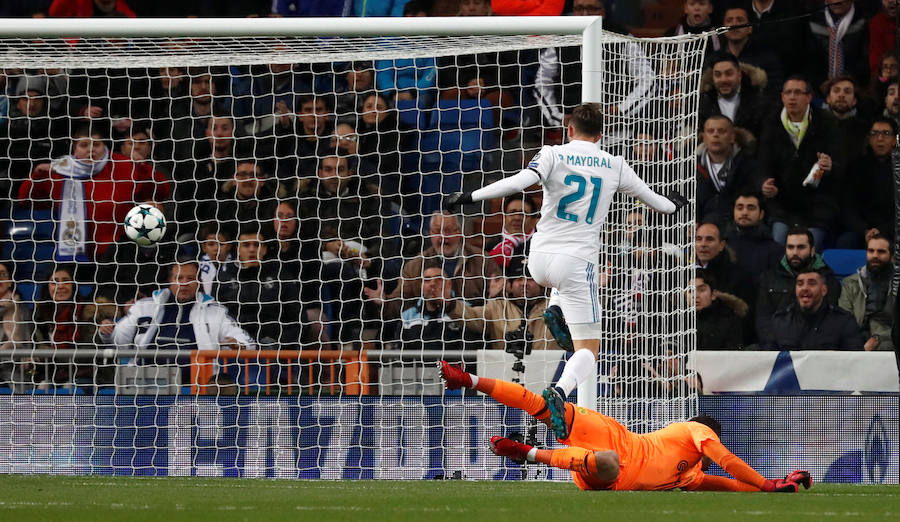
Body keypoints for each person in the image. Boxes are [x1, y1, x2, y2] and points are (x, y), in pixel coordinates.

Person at [444, 103, 687, 439]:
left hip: (538, 259)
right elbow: (656, 202)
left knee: (558, 289)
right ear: (601, 134)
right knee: (588, 349)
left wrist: (470, 196)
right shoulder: (615, 164)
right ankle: (558, 393)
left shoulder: (552, 154)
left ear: (569, 129)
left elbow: (519, 181)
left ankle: (556, 308)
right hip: (576, 263)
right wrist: (674, 203)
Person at [438, 361, 811, 493]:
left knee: (606, 459)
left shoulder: (690, 478)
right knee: (547, 409)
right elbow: (726, 461)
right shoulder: (695, 430)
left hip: (607, 458)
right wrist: (767, 483)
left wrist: (772, 486)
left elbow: (730, 484)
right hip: (613, 440)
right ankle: (466, 380)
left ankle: (529, 451)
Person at [99, 260, 255, 382]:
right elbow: (119, 342)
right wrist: (108, 332)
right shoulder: (144, 307)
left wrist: (238, 344)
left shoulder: (216, 312)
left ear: (198, 282)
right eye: (179, 278)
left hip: (196, 385)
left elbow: (247, 343)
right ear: (170, 281)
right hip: (145, 383)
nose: (184, 283)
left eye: (190, 278)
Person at [756, 76, 841, 247]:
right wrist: (764, 183)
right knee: (779, 246)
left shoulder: (826, 122)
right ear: (782, 97)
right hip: (782, 206)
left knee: (807, 250)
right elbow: (763, 164)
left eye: (797, 92)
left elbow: (841, 162)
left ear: (809, 97)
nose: (792, 97)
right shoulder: (771, 123)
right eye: (788, 92)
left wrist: (832, 166)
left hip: (817, 207)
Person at [449, 251, 560, 351]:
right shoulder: (497, 307)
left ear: (541, 284)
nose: (524, 283)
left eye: (530, 279)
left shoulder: (555, 306)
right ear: (509, 284)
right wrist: (448, 302)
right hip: (504, 370)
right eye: (519, 279)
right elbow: (471, 316)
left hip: (548, 370)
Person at [214, 227, 302, 349]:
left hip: (275, 351)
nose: (252, 249)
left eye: (257, 245)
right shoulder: (223, 279)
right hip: (235, 348)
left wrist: (279, 345)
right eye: (246, 245)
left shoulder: (281, 277)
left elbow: (298, 321)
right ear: (238, 249)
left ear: (265, 249)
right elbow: (215, 318)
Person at [755, 226, 841, 337]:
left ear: (812, 250)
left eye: (801, 247)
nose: (795, 252)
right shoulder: (769, 278)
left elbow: (830, 320)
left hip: (814, 346)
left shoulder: (827, 280)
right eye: (790, 247)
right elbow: (763, 319)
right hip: (777, 346)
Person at [759, 269, 865, 350]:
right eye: (800, 284)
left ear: (824, 290)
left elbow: (854, 363)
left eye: (811, 283)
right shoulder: (780, 321)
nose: (805, 288)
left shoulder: (843, 322)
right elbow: (770, 364)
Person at [695, 115, 757, 223]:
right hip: (703, 230)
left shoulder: (747, 165)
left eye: (721, 131)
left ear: (732, 137)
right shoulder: (691, 168)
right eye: (710, 131)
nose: (715, 135)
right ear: (703, 137)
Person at [839, 234, 895, 352]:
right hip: (857, 339)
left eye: (881, 251)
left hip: (888, 341)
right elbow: (843, 319)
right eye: (871, 251)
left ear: (892, 256)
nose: (875, 255)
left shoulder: (897, 283)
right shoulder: (850, 283)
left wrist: (877, 339)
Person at [697, 54, 766, 141]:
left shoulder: (759, 100)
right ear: (712, 78)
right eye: (718, 75)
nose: (723, 80)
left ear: (739, 75)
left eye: (729, 74)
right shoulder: (702, 103)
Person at [723, 190, 783, 282]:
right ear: (733, 211)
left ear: (761, 214)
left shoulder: (774, 250)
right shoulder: (723, 245)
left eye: (751, 208)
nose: (744, 212)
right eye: (740, 208)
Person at [694, 270, 746, 350]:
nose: (696, 295)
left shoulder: (729, 319)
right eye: (690, 291)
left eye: (702, 290)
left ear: (713, 294)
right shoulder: (676, 320)